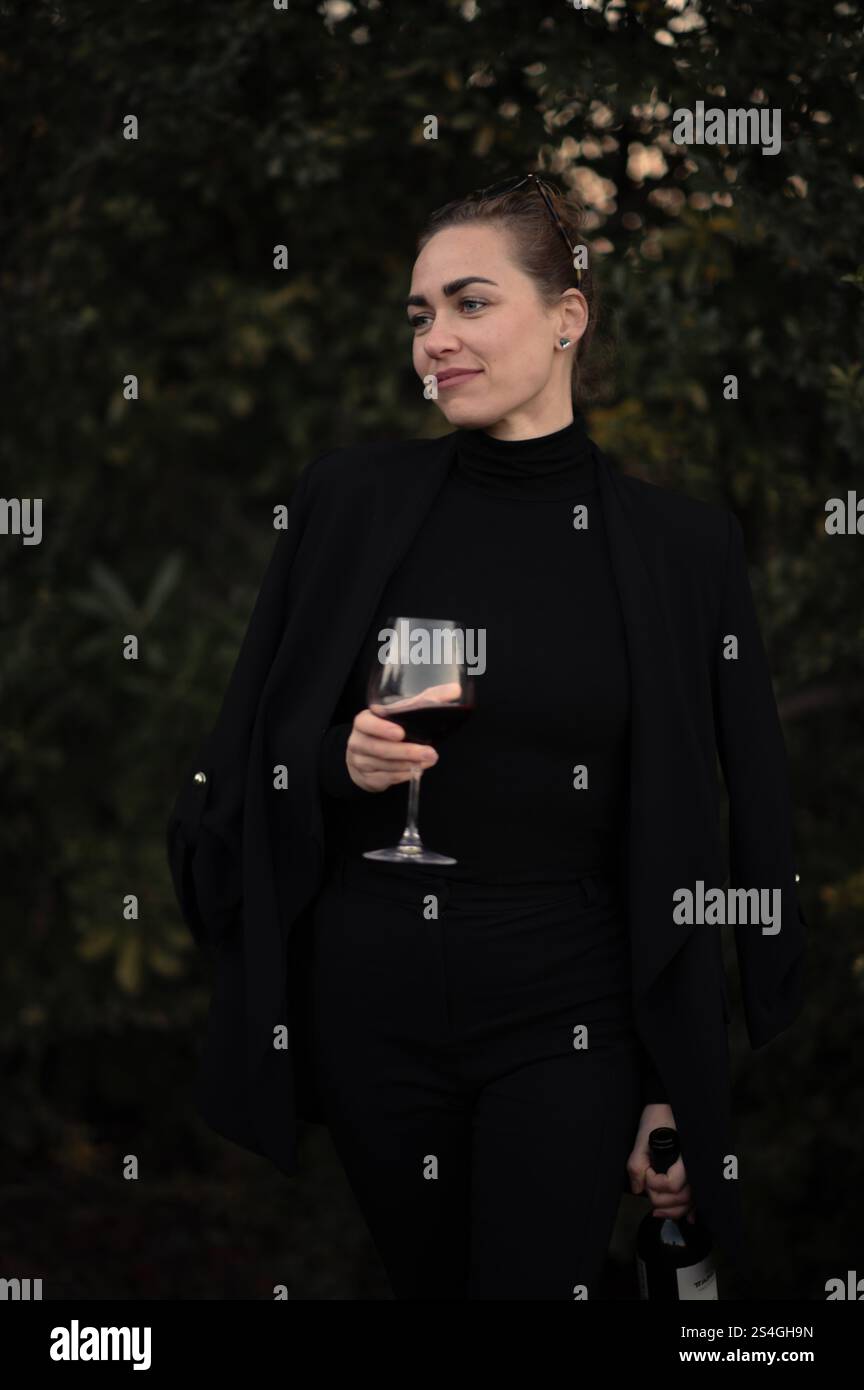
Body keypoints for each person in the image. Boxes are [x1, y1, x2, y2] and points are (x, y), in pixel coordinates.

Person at [167, 173, 807, 1301]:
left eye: (470, 304)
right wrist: (337, 761)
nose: (436, 340)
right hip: (371, 1010)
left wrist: (674, 1079)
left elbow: (698, 832)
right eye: (420, 315)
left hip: (565, 1013)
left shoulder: (678, 549)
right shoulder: (350, 500)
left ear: (569, 317)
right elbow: (251, 749)